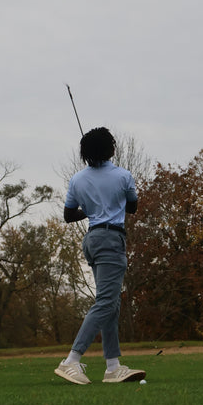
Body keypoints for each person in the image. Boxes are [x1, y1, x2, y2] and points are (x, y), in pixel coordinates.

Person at [55, 127, 146, 385]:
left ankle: (113, 366)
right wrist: (111, 202)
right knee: (106, 302)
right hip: (111, 239)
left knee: (111, 304)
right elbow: (133, 206)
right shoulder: (123, 176)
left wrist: (90, 209)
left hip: (92, 239)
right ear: (111, 149)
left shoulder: (77, 180)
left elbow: (69, 216)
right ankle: (71, 360)